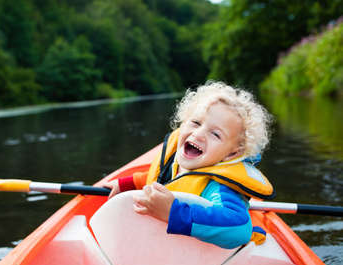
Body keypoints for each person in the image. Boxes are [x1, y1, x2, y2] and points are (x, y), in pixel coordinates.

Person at [104, 81, 274, 249]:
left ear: (232, 153)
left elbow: (238, 229)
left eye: (215, 134)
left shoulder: (219, 187)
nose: (198, 134)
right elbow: (160, 180)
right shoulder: (177, 161)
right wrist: (126, 184)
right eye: (196, 123)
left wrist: (173, 212)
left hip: (196, 264)